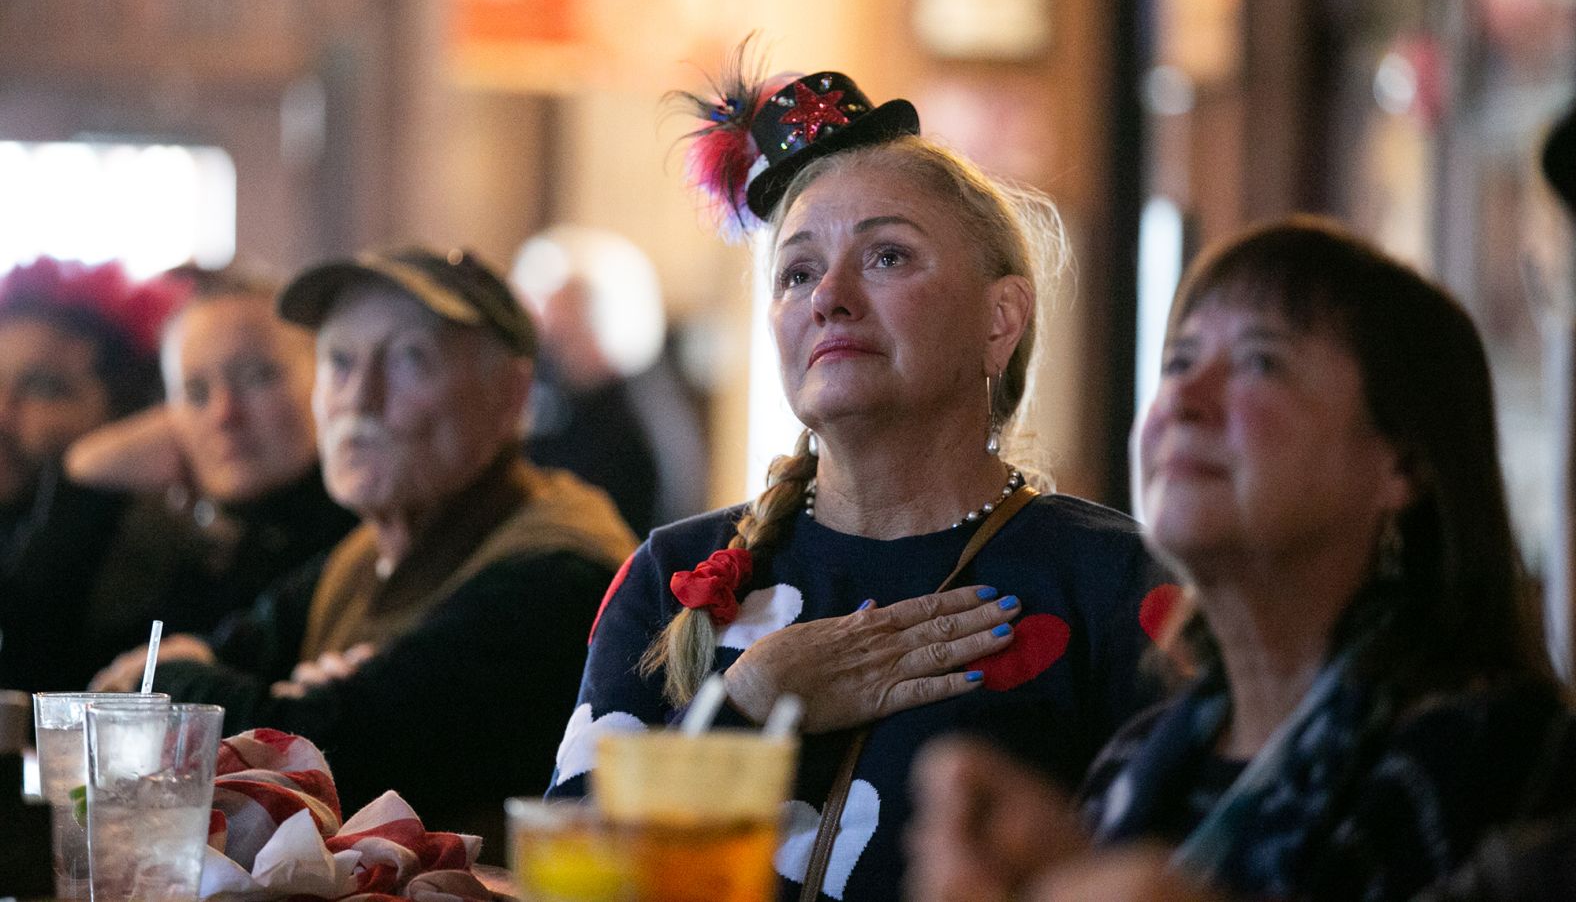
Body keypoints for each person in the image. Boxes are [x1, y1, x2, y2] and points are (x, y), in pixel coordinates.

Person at [548, 58, 1172, 902]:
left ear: (1001, 319)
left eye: (886, 257)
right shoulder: (672, 575)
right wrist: (750, 703)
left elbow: (1170, 870)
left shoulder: (1109, 580)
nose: (829, 298)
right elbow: (574, 875)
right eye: (798, 273)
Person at [905, 217, 1576, 902]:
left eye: (1260, 361)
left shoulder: (1501, 757)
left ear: (1400, 460)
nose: (1185, 402)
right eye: (1178, 363)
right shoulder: (1135, 760)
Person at [92, 247, 636, 855]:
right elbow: (231, 674)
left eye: (408, 360)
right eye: (340, 362)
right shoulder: (367, 553)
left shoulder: (559, 569)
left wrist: (182, 680)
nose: (360, 397)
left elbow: (335, 751)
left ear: (509, 395)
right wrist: (269, 699)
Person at [67, 268, 358, 638]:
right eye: (196, 393)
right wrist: (80, 483)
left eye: (257, 377)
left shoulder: (367, 539)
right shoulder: (176, 550)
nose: (224, 414)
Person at [0, 256, 202, 691]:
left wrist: (78, 484)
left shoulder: (156, 551)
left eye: (42, 388)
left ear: (125, 410)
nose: (2, 414)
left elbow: (24, 674)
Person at [512, 225, 709, 536]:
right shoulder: (570, 402)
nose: (546, 341)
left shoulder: (635, 425)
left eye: (561, 325)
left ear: (601, 322)